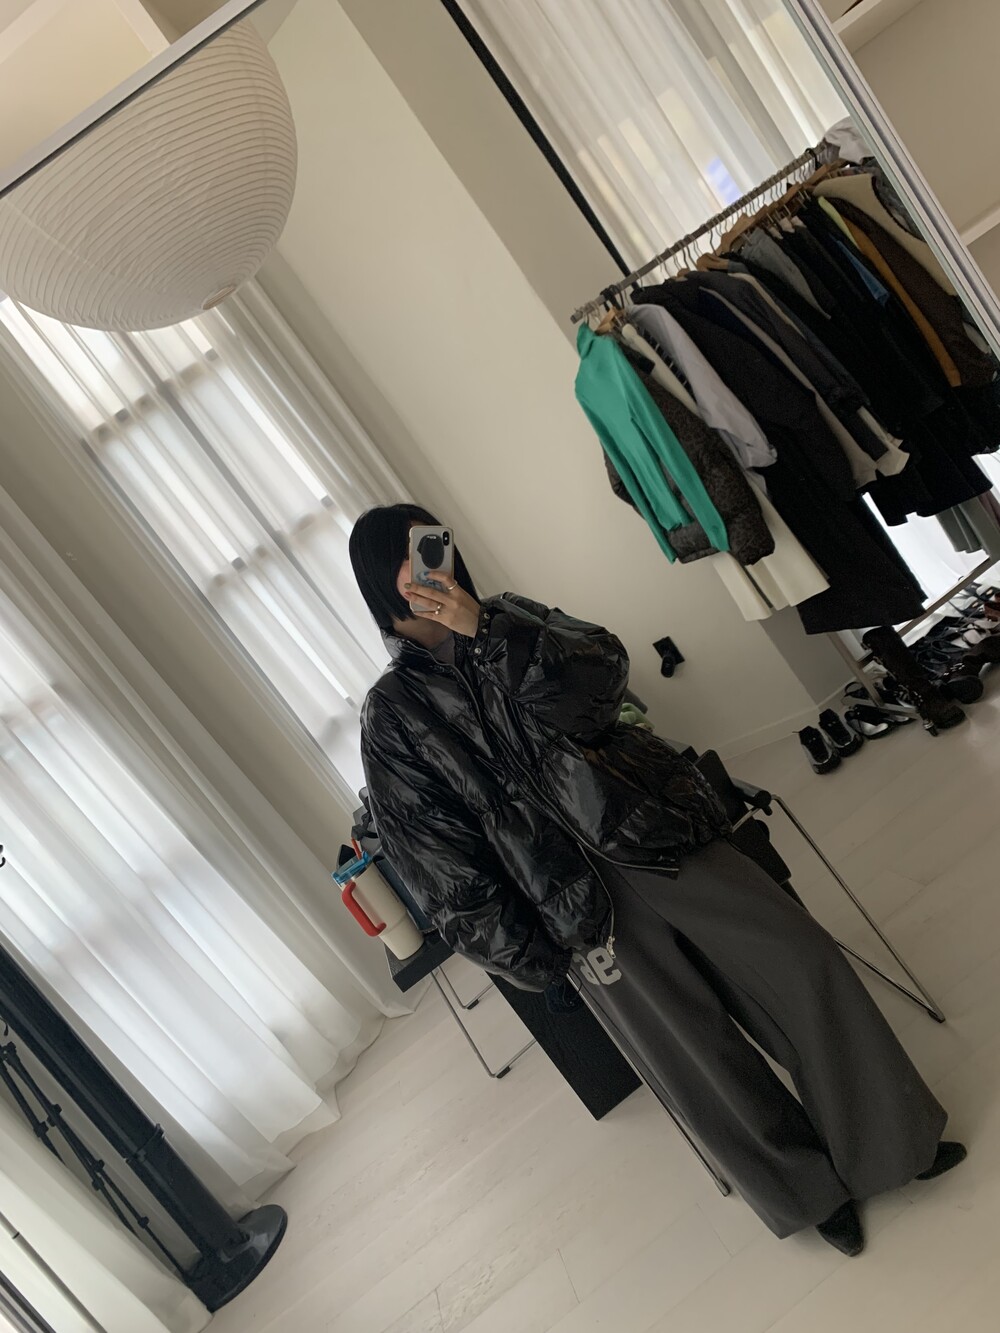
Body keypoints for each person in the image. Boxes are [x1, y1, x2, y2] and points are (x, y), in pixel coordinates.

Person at [349, 502, 965, 1254]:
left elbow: (604, 682)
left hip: (652, 833)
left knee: (803, 966)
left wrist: (489, 631)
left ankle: (894, 1144)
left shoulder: (510, 618)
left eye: (431, 545)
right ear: (378, 581)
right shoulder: (391, 714)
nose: (425, 565)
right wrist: (528, 954)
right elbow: (435, 858)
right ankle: (807, 1192)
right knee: (699, 1060)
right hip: (573, 907)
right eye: (405, 557)